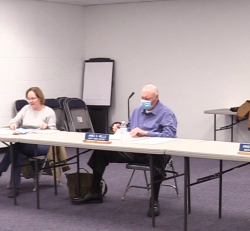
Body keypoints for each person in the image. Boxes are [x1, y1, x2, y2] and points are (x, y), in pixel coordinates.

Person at [71, 84, 177, 217]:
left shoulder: (166, 113)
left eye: (147, 99)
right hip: (134, 150)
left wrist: (146, 133)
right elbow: (131, 129)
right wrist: (120, 128)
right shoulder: (137, 111)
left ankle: (154, 200)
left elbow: (170, 135)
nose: (144, 101)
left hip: (154, 152)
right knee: (101, 151)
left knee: (157, 157)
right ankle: (95, 191)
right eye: (142, 98)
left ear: (156, 98)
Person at [0, 87, 56, 197]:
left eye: (33, 98)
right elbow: (14, 120)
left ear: (40, 98)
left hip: (42, 145)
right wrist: (13, 124)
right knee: (17, 152)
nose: (30, 101)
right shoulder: (26, 108)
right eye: (28, 98)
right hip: (26, 142)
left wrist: (47, 127)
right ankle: (15, 187)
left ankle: (0, 170)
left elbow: (54, 131)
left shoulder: (49, 112)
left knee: (15, 147)